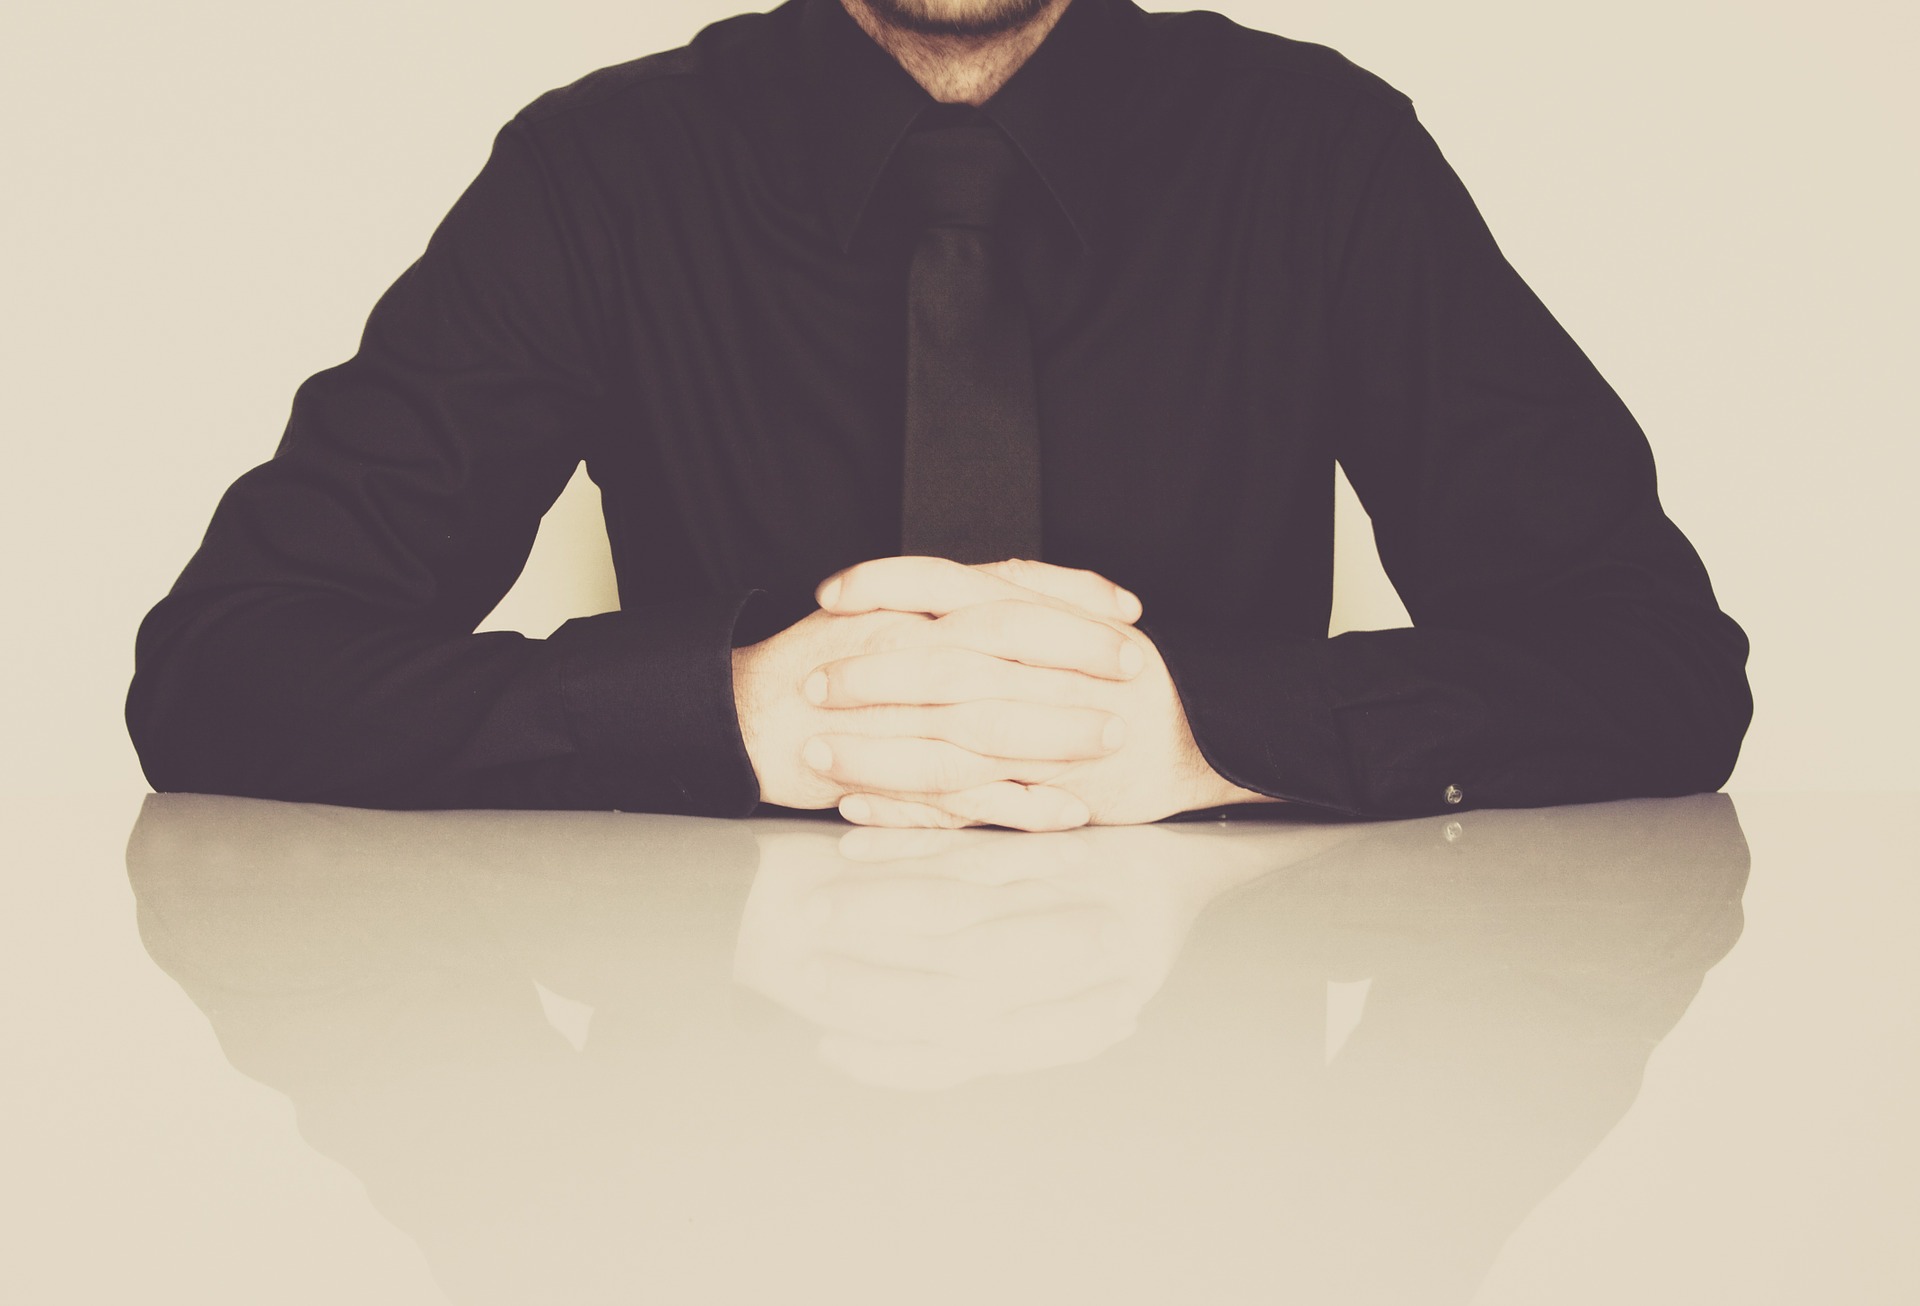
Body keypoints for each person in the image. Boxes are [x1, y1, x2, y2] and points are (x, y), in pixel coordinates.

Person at [126, 0, 1752, 831]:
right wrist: (727, 713)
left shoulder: (1323, 157)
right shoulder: (596, 177)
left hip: (1234, 1150)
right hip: (696, 1141)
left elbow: (1661, 667)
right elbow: (223, 665)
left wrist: (1217, 733)